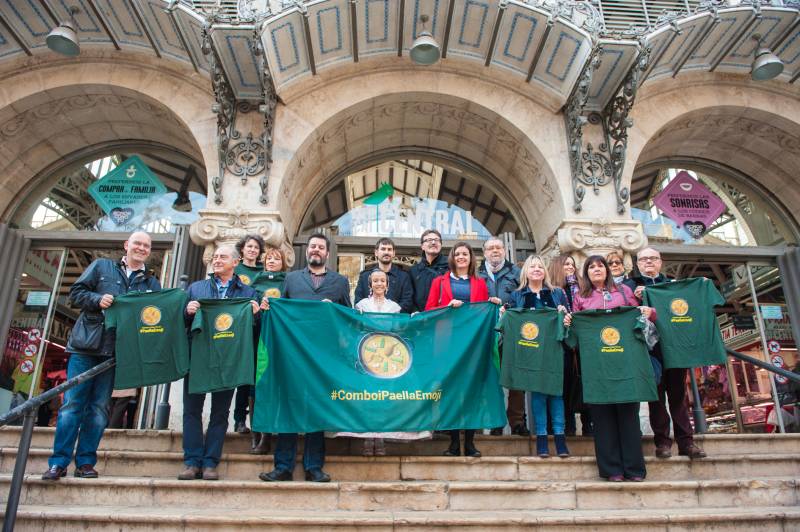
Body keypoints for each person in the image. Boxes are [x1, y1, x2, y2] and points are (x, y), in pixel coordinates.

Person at [42, 231, 160, 481]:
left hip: (117, 352)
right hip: (86, 347)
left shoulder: (151, 282)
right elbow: (75, 294)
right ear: (126, 245)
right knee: (72, 406)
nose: (141, 248)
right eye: (137, 243)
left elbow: (155, 316)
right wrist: (97, 299)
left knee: (98, 409)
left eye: (146, 245)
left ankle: (85, 462)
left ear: (149, 251)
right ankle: (58, 462)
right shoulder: (101, 266)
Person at [259, 233, 351, 483]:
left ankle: (313, 466)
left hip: (324, 358)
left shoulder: (340, 282)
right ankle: (283, 467)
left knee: (316, 410)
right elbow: (281, 310)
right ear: (307, 251)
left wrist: (333, 310)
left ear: (327, 254)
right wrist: (269, 307)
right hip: (292, 356)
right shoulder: (290, 278)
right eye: (313, 246)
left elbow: (347, 319)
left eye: (321, 247)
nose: (316, 250)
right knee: (289, 407)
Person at [566, 255, 656, 482]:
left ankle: (634, 469)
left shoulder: (625, 292)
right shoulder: (580, 298)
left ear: (607, 270)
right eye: (591, 267)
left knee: (628, 417)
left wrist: (648, 312)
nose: (596, 269)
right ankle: (612, 469)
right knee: (602, 419)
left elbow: (642, 319)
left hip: (626, 365)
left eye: (600, 266)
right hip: (596, 368)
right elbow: (574, 334)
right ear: (586, 273)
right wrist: (569, 323)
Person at [179, 244, 260, 481]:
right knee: (191, 411)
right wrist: (187, 311)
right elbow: (181, 322)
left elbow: (253, 329)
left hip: (229, 361)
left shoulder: (247, 293)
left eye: (222, 257)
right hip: (198, 358)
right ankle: (192, 461)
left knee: (220, 413)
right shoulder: (196, 288)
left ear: (235, 262)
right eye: (214, 257)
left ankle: (211, 463)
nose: (217, 260)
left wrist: (256, 315)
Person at [623, 247, 707, 459]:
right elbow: (623, 312)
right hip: (650, 351)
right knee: (656, 398)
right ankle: (662, 443)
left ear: (661, 262)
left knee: (679, 397)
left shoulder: (672, 284)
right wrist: (636, 300)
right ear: (637, 264)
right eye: (643, 259)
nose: (648, 262)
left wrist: (703, 285)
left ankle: (686, 442)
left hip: (675, 349)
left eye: (653, 258)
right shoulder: (629, 286)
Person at [425, 241, 501, 457]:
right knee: (450, 390)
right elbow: (429, 309)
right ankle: (452, 443)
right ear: (452, 258)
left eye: (465, 254)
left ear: (471, 258)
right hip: (447, 344)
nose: (461, 257)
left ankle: (469, 442)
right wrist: (447, 307)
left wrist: (492, 302)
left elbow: (482, 310)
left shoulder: (479, 283)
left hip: (473, 345)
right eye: (457, 254)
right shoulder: (439, 282)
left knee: (471, 392)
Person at [342, 270, 431, 454]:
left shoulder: (394, 308)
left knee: (383, 398)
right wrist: (356, 316)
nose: (379, 284)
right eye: (375, 281)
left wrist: (413, 319)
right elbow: (355, 329)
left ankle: (381, 437)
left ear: (387, 285)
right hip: (367, 356)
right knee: (368, 399)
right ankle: (367, 438)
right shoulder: (361, 305)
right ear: (370, 284)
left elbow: (399, 330)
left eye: (382, 280)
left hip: (387, 359)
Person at [506, 255, 570, 457]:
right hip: (530, 350)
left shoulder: (557, 293)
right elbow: (512, 321)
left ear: (545, 271)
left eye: (540, 266)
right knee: (538, 394)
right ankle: (541, 437)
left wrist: (564, 314)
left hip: (553, 350)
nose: (536, 269)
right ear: (525, 271)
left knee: (556, 394)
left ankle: (560, 438)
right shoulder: (518, 295)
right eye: (532, 266)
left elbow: (569, 319)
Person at [478, 237, 528, 437]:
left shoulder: (517, 273)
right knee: (491, 378)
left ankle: (517, 421)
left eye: (498, 247)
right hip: (487, 334)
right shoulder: (479, 275)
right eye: (490, 248)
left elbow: (524, 299)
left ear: (505, 251)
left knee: (516, 378)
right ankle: (495, 421)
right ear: (484, 253)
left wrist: (506, 305)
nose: (495, 251)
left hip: (512, 332)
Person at [248, 245, 289, 455]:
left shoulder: (288, 283)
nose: (272, 262)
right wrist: (257, 310)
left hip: (280, 341)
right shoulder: (255, 283)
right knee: (256, 388)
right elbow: (247, 310)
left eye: (276, 259)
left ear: (283, 263)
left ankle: (270, 434)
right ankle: (257, 433)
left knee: (276, 387)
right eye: (269, 259)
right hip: (258, 340)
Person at [549, 253, 591, 436]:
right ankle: (568, 427)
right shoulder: (552, 291)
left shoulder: (583, 288)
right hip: (561, 345)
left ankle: (588, 424)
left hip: (583, 343)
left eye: (572, 264)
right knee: (564, 386)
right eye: (566, 264)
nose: (570, 267)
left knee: (584, 384)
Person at [232, 234, 266, 435]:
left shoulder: (264, 273)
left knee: (254, 375)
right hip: (238, 329)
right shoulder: (235, 270)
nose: (252, 250)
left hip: (257, 328)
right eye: (249, 246)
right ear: (242, 249)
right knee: (242, 377)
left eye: (256, 248)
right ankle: (238, 420)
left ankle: (256, 420)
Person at [354, 237, 414, 313]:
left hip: (394, 321)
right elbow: (358, 301)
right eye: (383, 249)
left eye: (389, 249)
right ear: (376, 252)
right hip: (370, 322)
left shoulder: (404, 276)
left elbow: (407, 302)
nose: (386, 252)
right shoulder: (365, 276)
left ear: (393, 253)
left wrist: (388, 315)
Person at [410, 229, 449, 312]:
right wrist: (415, 312)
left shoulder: (451, 267)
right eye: (429, 240)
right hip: (421, 319)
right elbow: (410, 296)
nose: (433, 242)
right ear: (422, 246)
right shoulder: (413, 271)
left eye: (437, 240)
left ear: (441, 245)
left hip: (444, 317)